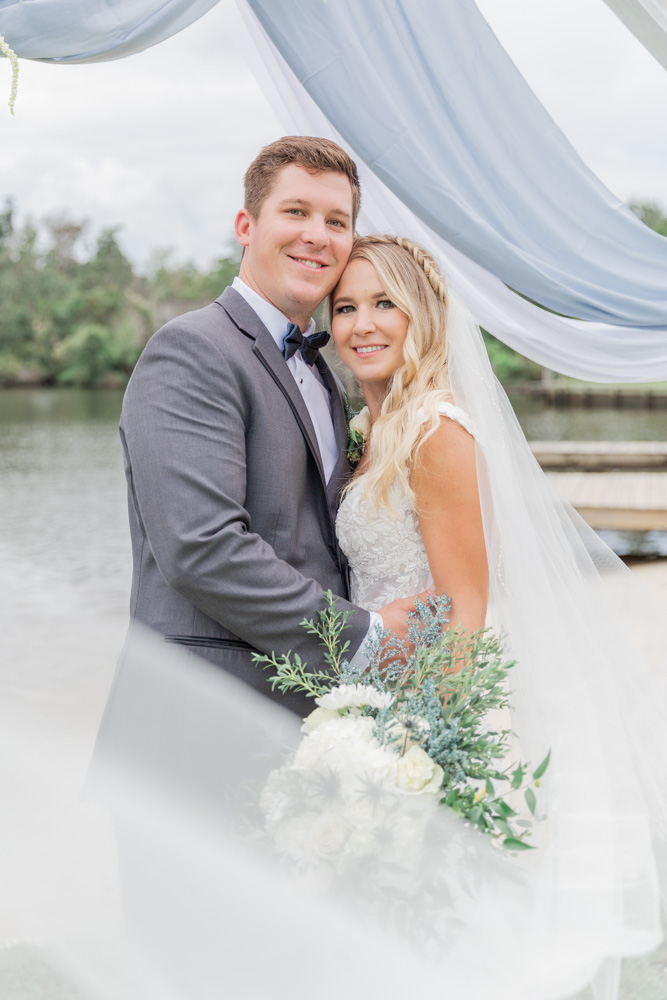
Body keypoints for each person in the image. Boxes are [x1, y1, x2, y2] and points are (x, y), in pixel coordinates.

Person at [116, 136, 419, 721]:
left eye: (337, 220)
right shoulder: (191, 350)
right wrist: (371, 640)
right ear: (246, 225)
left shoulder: (324, 375)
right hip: (196, 723)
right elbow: (202, 549)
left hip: (300, 721)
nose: (317, 235)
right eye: (296, 212)